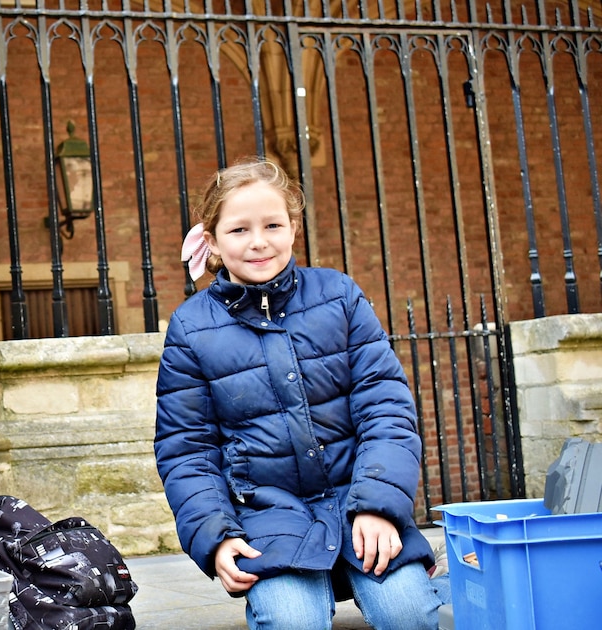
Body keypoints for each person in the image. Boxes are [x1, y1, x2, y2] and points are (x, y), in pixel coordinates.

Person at [155, 159, 448, 628]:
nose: (258, 241)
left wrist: (378, 506)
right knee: (291, 621)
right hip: (268, 519)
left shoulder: (339, 295)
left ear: (293, 226)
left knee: (409, 612)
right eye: (239, 229)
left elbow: (386, 408)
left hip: (359, 501)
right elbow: (186, 449)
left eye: (273, 224)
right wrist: (217, 537)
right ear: (211, 240)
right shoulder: (192, 328)